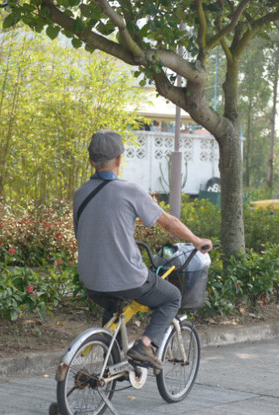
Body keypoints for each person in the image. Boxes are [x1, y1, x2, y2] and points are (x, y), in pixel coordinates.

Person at [73, 130, 212, 370]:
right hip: (127, 278)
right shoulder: (130, 190)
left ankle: (113, 367)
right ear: (119, 160)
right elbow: (169, 223)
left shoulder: (80, 194)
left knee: (113, 308)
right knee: (171, 297)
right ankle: (145, 345)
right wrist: (196, 240)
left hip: (91, 281)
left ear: (91, 161)